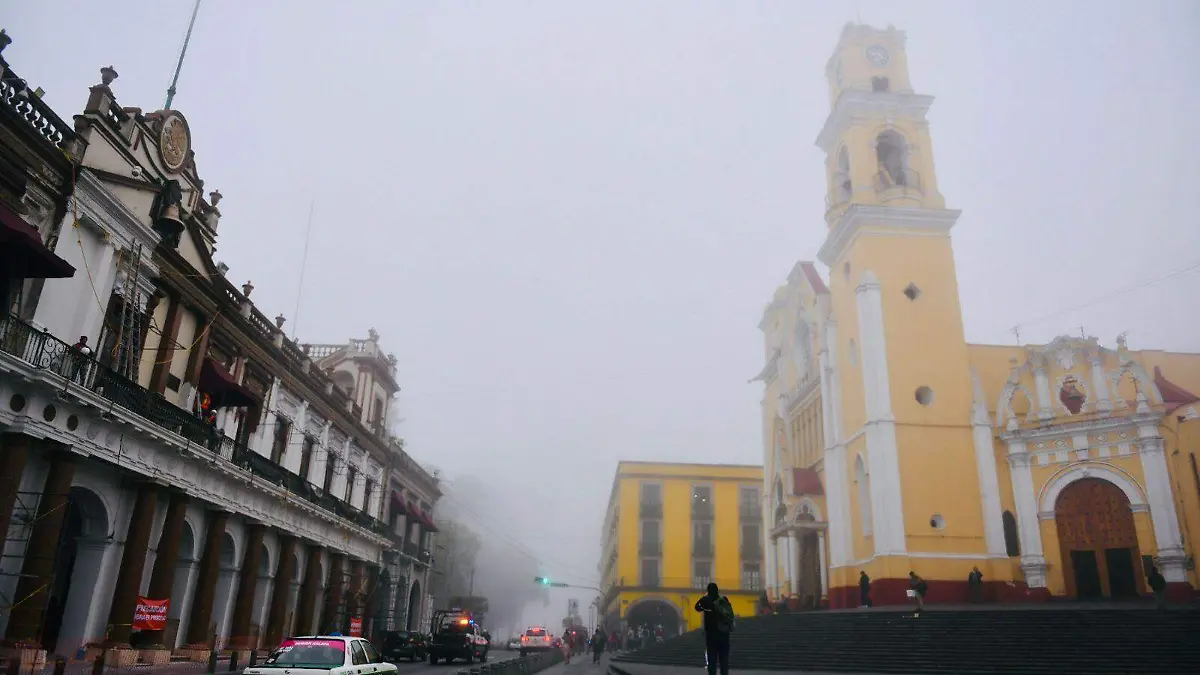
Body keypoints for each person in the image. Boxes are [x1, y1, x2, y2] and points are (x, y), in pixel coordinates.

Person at [694, 582, 734, 675]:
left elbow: (697, 607)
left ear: (708, 590)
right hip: (724, 633)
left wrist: (705, 603)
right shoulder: (723, 599)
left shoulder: (705, 600)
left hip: (711, 634)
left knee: (712, 659)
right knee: (724, 659)